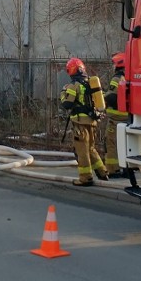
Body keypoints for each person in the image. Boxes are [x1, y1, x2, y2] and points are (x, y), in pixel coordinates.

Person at [60, 57, 108, 186]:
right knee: (91, 148)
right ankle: (103, 172)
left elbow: (67, 104)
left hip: (80, 123)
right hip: (92, 121)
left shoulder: (74, 85)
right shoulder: (90, 83)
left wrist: (63, 93)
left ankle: (86, 178)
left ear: (71, 70)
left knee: (82, 151)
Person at [103, 52, 129, 178]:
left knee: (111, 143)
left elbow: (112, 96)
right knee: (125, 144)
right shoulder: (129, 77)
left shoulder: (116, 79)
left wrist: (103, 97)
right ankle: (127, 169)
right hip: (127, 117)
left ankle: (113, 170)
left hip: (115, 118)